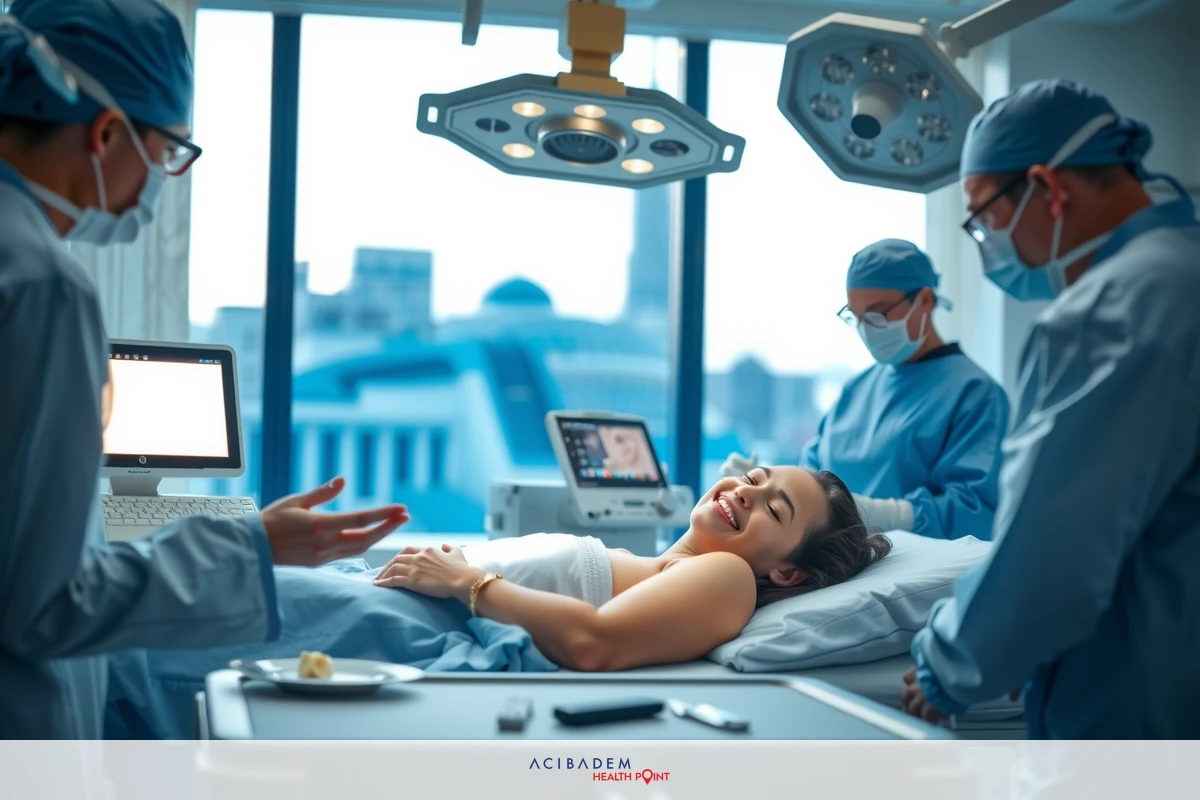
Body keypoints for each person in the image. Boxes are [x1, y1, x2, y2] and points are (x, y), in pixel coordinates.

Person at [0, 0, 409, 739]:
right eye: (168, 154)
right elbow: (45, 603)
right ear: (106, 134)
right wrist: (255, 545)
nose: (164, 180)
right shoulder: (40, 285)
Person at [106, 465, 892, 737]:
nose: (745, 491)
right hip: (387, 603)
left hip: (414, 624)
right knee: (138, 626)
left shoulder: (726, 578)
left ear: (789, 575)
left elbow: (594, 643)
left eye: (773, 508)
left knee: (136, 646)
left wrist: (468, 583)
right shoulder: (667, 560)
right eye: (755, 478)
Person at [901, 79, 1200, 738]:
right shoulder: (1183, 271)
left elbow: (1049, 558)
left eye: (983, 217)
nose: (987, 241)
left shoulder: (1110, 314)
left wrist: (949, 667)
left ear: (1046, 188)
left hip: (1133, 718)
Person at [722, 239, 1009, 540]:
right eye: (856, 317)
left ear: (924, 300)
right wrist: (768, 484)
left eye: (877, 314)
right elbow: (814, 474)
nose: (866, 329)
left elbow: (976, 513)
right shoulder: (855, 390)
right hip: (835, 560)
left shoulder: (976, 394)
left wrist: (886, 515)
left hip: (913, 564)